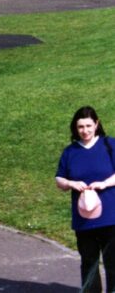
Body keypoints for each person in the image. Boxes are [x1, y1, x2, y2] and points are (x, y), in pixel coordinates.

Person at [56, 106, 115, 292]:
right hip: (84, 219)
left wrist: (104, 183)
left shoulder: (109, 145)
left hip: (110, 217)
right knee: (89, 262)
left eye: (89, 125)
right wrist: (71, 184)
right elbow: (59, 179)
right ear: (75, 128)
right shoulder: (70, 152)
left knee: (113, 261)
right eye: (80, 127)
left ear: (96, 124)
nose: (85, 131)